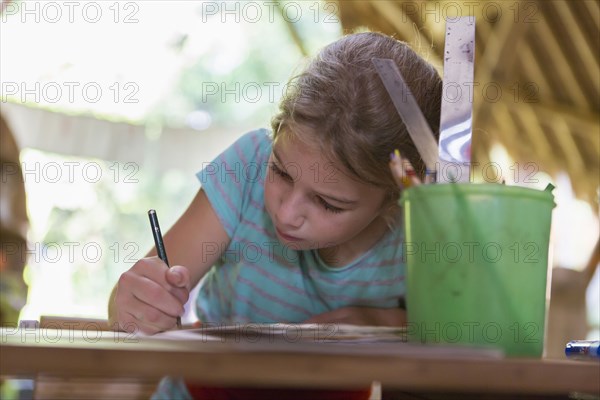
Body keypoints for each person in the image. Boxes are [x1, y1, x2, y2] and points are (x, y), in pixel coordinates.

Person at [109, 31, 442, 399]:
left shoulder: (420, 229)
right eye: (281, 171)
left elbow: (457, 338)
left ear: (394, 198)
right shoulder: (247, 166)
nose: (286, 213)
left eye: (328, 203)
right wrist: (137, 304)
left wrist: (389, 322)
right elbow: (128, 310)